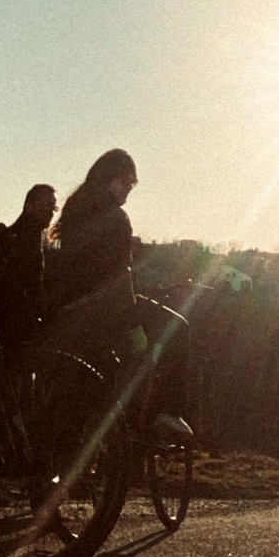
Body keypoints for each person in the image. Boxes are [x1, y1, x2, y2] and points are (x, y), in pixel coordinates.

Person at [46, 149, 191, 440]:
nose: (129, 189)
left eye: (133, 184)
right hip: (107, 308)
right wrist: (133, 316)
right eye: (126, 181)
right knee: (178, 328)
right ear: (109, 179)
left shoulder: (75, 211)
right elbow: (118, 275)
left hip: (73, 307)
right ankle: (162, 414)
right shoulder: (116, 218)